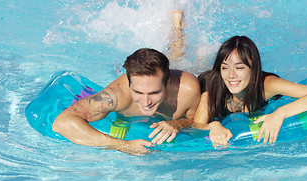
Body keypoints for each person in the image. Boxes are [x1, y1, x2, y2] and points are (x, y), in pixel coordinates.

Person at [53, 47, 200, 155]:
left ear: (167, 83)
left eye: (155, 92)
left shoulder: (188, 90)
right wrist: (124, 146)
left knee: (178, 56)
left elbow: (196, 120)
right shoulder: (115, 97)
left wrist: (178, 123)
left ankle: (177, 29)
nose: (146, 101)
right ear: (129, 85)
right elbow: (62, 123)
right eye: (138, 92)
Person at [193, 36, 307, 147]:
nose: (231, 75)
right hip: (204, 80)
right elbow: (196, 126)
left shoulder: (267, 85)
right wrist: (213, 126)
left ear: (253, 69)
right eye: (225, 68)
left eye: (239, 68)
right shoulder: (209, 94)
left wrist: (280, 113)